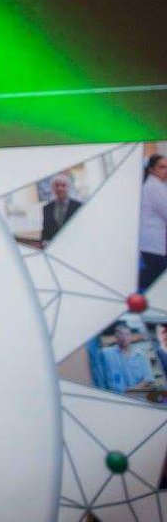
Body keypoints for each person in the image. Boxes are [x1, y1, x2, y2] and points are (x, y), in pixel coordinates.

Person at [102, 323, 155, 393]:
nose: (124, 338)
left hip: (137, 393)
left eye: (127, 334)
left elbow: (148, 378)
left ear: (131, 336)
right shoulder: (106, 353)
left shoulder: (141, 355)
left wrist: (133, 389)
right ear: (116, 337)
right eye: (120, 334)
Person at [140, 154, 167, 290]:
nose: (166, 170)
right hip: (154, 243)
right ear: (151, 169)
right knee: (155, 279)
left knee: (153, 278)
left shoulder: (159, 185)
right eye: (162, 167)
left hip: (155, 243)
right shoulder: (153, 187)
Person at [40, 174, 82, 244]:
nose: (60, 188)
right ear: (52, 188)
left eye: (63, 185)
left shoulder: (79, 206)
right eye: (57, 185)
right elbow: (45, 232)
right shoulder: (46, 208)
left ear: (69, 188)